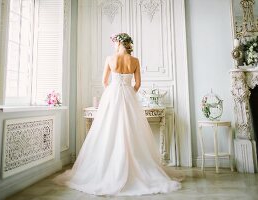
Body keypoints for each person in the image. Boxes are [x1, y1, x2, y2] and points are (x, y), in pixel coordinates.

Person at [53, 33, 183, 196]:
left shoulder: (110, 59)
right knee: (131, 131)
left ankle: (109, 167)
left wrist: (112, 93)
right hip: (129, 97)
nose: (114, 45)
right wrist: (129, 93)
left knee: (108, 130)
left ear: (120, 43)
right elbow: (138, 84)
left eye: (115, 42)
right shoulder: (135, 61)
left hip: (112, 96)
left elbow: (104, 82)